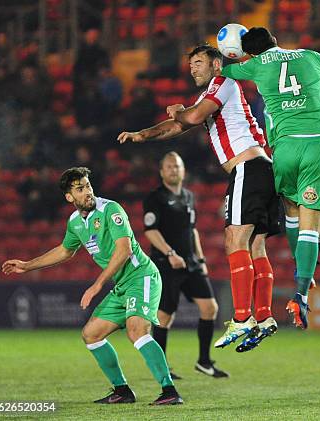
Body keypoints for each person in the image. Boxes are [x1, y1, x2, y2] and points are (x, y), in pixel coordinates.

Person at [221, 27, 320, 329]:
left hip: (284, 148)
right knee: (312, 219)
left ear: (252, 52)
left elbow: (222, 68)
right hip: (318, 144)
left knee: (292, 211)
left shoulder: (254, 65)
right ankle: (301, 290)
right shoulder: (312, 57)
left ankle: (301, 268)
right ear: (274, 41)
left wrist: (228, 54)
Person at [118, 45, 279, 353]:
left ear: (216, 64)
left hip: (248, 166)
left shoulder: (223, 83)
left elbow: (190, 117)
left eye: (199, 63)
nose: (193, 68)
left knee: (235, 239)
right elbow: (180, 124)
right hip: (260, 169)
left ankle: (242, 318)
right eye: (191, 64)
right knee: (255, 244)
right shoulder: (212, 95)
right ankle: (264, 316)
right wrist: (145, 134)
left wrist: (179, 111)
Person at [2, 167, 183, 405]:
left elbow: (124, 249)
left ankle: (170, 391)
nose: (87, 191)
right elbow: (65, 250)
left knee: (137, 330)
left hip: (141, 276)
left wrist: (97, 285)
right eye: (80, 188)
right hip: (122, 284)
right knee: (91, 334)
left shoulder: (110, 209)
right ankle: (122, 391)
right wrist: (27, 266)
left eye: (88, 185)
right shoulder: (76, 222)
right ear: (70, 197)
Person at [144, 151, 228, 378]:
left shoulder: (189, 196)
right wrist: (170, 253)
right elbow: (150, 231)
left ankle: (204, 362)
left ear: (183, 170)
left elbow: (192, 231)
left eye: (177, 166)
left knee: (210, 308)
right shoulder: (156, 198)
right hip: (166, 264)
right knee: (164, 317)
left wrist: (200, 259)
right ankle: (161, 367)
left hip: (190, 263)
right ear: (162, 172)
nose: (174, 170)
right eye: (169, 166)